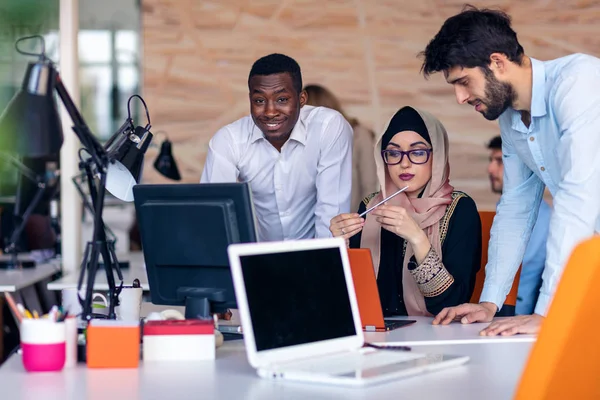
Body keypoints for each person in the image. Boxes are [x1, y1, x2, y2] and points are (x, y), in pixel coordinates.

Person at [420, 5, 600, 335]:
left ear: (498, 63)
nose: (460, 97)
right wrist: (490, 303)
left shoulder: (580, 82)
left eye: (463, 82)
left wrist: (549, 312)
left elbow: (578, 200)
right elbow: (516, 208)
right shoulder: (510, 116)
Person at [329, 106, 481, 317]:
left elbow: (452, 305)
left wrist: (417, 238)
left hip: (438, 338)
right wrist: (337, 245)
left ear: (436, 155)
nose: (404, 163)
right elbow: (345, 298)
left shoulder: (460, 209)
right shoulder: (371, 208)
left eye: (418, 152)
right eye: (393, 153)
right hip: (378, 335)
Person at [200, 54, 353, 241]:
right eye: (259, 101)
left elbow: (331, 216)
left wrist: (320, 265)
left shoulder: (327, 127)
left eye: (282, 99)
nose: (270, 112)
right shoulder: (229, 140)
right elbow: (214, 217)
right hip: (257, 260)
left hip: (317, 256)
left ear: (302, 99)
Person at [487, 135, 551, 315]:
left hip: (517, 311)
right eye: (491, 160)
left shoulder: (539, 214)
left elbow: (518, 264)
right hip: (497, 304)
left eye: (499, 161)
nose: (490, 169)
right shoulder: (504, 208)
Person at [303, 84, 378, 212]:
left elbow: (369, 187)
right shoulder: (304, 139)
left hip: (352, 222)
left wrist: (362, 220)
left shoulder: (359, 135)